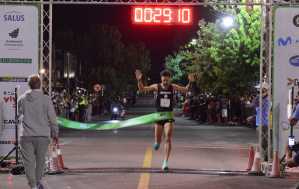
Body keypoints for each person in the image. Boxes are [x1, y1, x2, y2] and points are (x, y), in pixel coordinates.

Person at [135, 69, 193, 171]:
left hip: (169, 116)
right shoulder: (156, 86)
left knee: (168, 138)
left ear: (170, 79)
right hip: (159, 116)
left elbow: (185, 89)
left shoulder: (173, 87)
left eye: (167, 80)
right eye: (163, 80)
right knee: (158, 141)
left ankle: (165, 162)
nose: (165, 82)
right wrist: (139, 80)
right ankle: (157, 142)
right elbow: (142, 89)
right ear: (161, 79)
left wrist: (191, 82)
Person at [18, 74, 59, 189]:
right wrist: (55, 133)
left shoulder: (22, 99)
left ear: (29, 85)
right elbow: (52, 118)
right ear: (40, 85)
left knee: (28, 163)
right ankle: (37, 182)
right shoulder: (46, 99)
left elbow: (18, 115)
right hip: (42, 136)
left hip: (26, 136)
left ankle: (33, 185)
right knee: (41, 161)